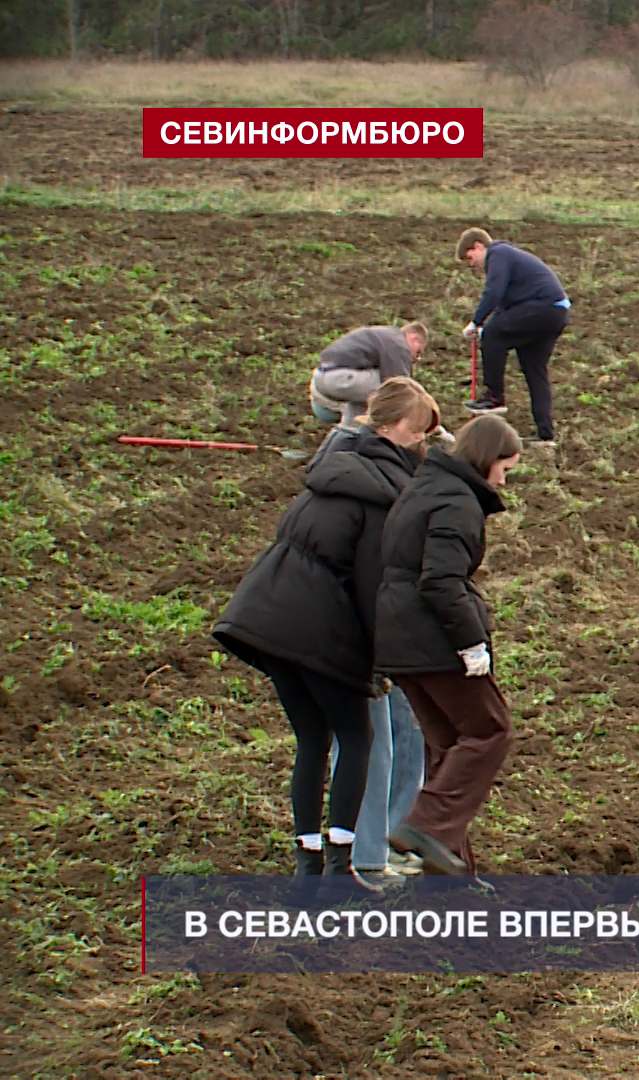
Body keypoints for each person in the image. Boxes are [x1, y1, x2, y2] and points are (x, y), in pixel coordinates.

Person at [212, 378, 442, 896]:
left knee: (314, 740)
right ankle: (348, 871)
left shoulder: (337, 468)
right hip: (318, 626)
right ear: (388, 427)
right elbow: (370, 586)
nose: (420, 440)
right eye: (416, 429)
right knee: (359, 738)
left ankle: (310, 873)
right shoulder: (383, 497)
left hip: (265, 615)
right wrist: (381, 663)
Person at [378, 414, 523, 878]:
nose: (504, 478)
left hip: (398, 637)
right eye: (505, 467)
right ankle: (426, 828)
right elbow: (440, 581)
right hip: (431, 639)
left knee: (448, 744)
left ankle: (451, 870)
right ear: (486, 458)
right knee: (489, 731)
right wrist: (471, 642)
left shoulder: (424, 488)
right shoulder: (457, 501)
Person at [456, 227, 571, 446]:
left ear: (479, 246)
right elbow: (504, 306)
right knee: (534, 369)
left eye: (470, 258)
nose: (472, 265)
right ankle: (545, 434)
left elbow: (493, 291)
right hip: (556, 311)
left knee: (492, 337)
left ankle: (494, 398)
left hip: (542, 307)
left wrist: (476, 322)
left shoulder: (498, 254)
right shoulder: (510, 259)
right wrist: (484, 326)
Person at [310, 322, 427, 425]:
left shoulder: (383, 336)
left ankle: (348, 437)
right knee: (391, 390)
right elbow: (401, 385)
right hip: (338, 379)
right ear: (414, 338)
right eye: (418, 353)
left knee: (364, 407)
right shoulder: (398, 343)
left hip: (321, 378)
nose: (415, 360)